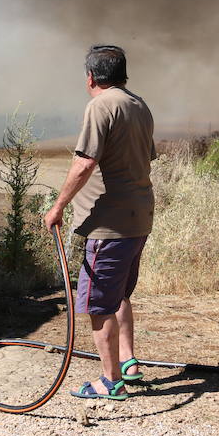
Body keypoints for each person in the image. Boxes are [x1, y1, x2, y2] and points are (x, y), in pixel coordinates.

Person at [43, 45, 156, 400]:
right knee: (119, 294)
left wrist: (58, 206)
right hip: (138, 218)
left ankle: (110, 382)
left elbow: (85, 162)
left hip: (109, 224)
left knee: (97, 304)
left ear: (91, 77)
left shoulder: (100, 105)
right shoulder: (138, 104)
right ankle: (128, 363)